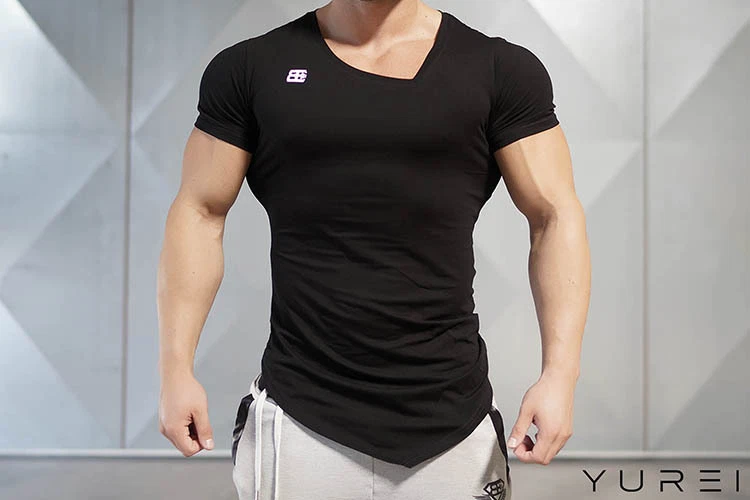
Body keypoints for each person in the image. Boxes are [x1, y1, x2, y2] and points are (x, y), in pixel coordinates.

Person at [157, 1, 590, 499]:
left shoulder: (499, 69)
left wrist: (560, 376)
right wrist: (175, 370)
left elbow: (554, 216)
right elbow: (200, 212)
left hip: (454, 422)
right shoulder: (252, 68)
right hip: (301, 417)